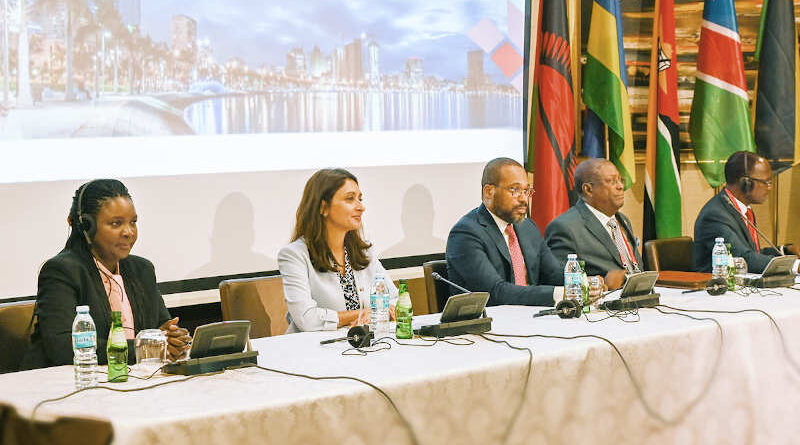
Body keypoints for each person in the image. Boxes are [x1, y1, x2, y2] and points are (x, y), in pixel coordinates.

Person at [21, 179, 191, 369]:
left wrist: (173, 338)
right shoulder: (62, 271)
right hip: (70, 384)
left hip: (133, 379)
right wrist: (142, 349)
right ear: (86, 226)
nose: (128, 232)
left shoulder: (142, 269)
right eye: (116, 223)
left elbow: (162, 326)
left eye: (133, 222)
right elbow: (61, 347)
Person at [446, 157, 603, 307]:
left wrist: (582, 282)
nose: (523, 199)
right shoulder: (466, 234)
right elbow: (494, 292)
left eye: (527, 191)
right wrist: (560, 294)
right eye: (515, 190)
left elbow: (553, 274)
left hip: (531, 318)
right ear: (489, 192)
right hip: (491, 326)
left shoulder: (527, 227)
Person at [278, 168, 397, 333]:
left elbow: (395, 298)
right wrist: (361, 313)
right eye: (350, 199)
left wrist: (380, 311)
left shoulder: (364, 251)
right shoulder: (294, 255)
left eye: (360, 199)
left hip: (363, 344)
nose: (361, 207)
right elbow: (307, 319)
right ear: (323, 207)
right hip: (315, 350)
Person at [694, 151, 798, 273]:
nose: (770, 188)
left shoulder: (742, 209)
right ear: (745, 183)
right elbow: (743, 259)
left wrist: (786, 250)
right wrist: (795, 266)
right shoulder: (715, 215)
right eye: (766, 182)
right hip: (713, 287)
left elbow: (753, 253)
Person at [545, 159, 640, 290]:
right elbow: (554, 277)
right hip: (602, 304)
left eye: (620, 180)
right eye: (612, 181)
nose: (620, 186)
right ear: (588, 189)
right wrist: (599, 282)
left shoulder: (622, 220)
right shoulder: (566, 227)